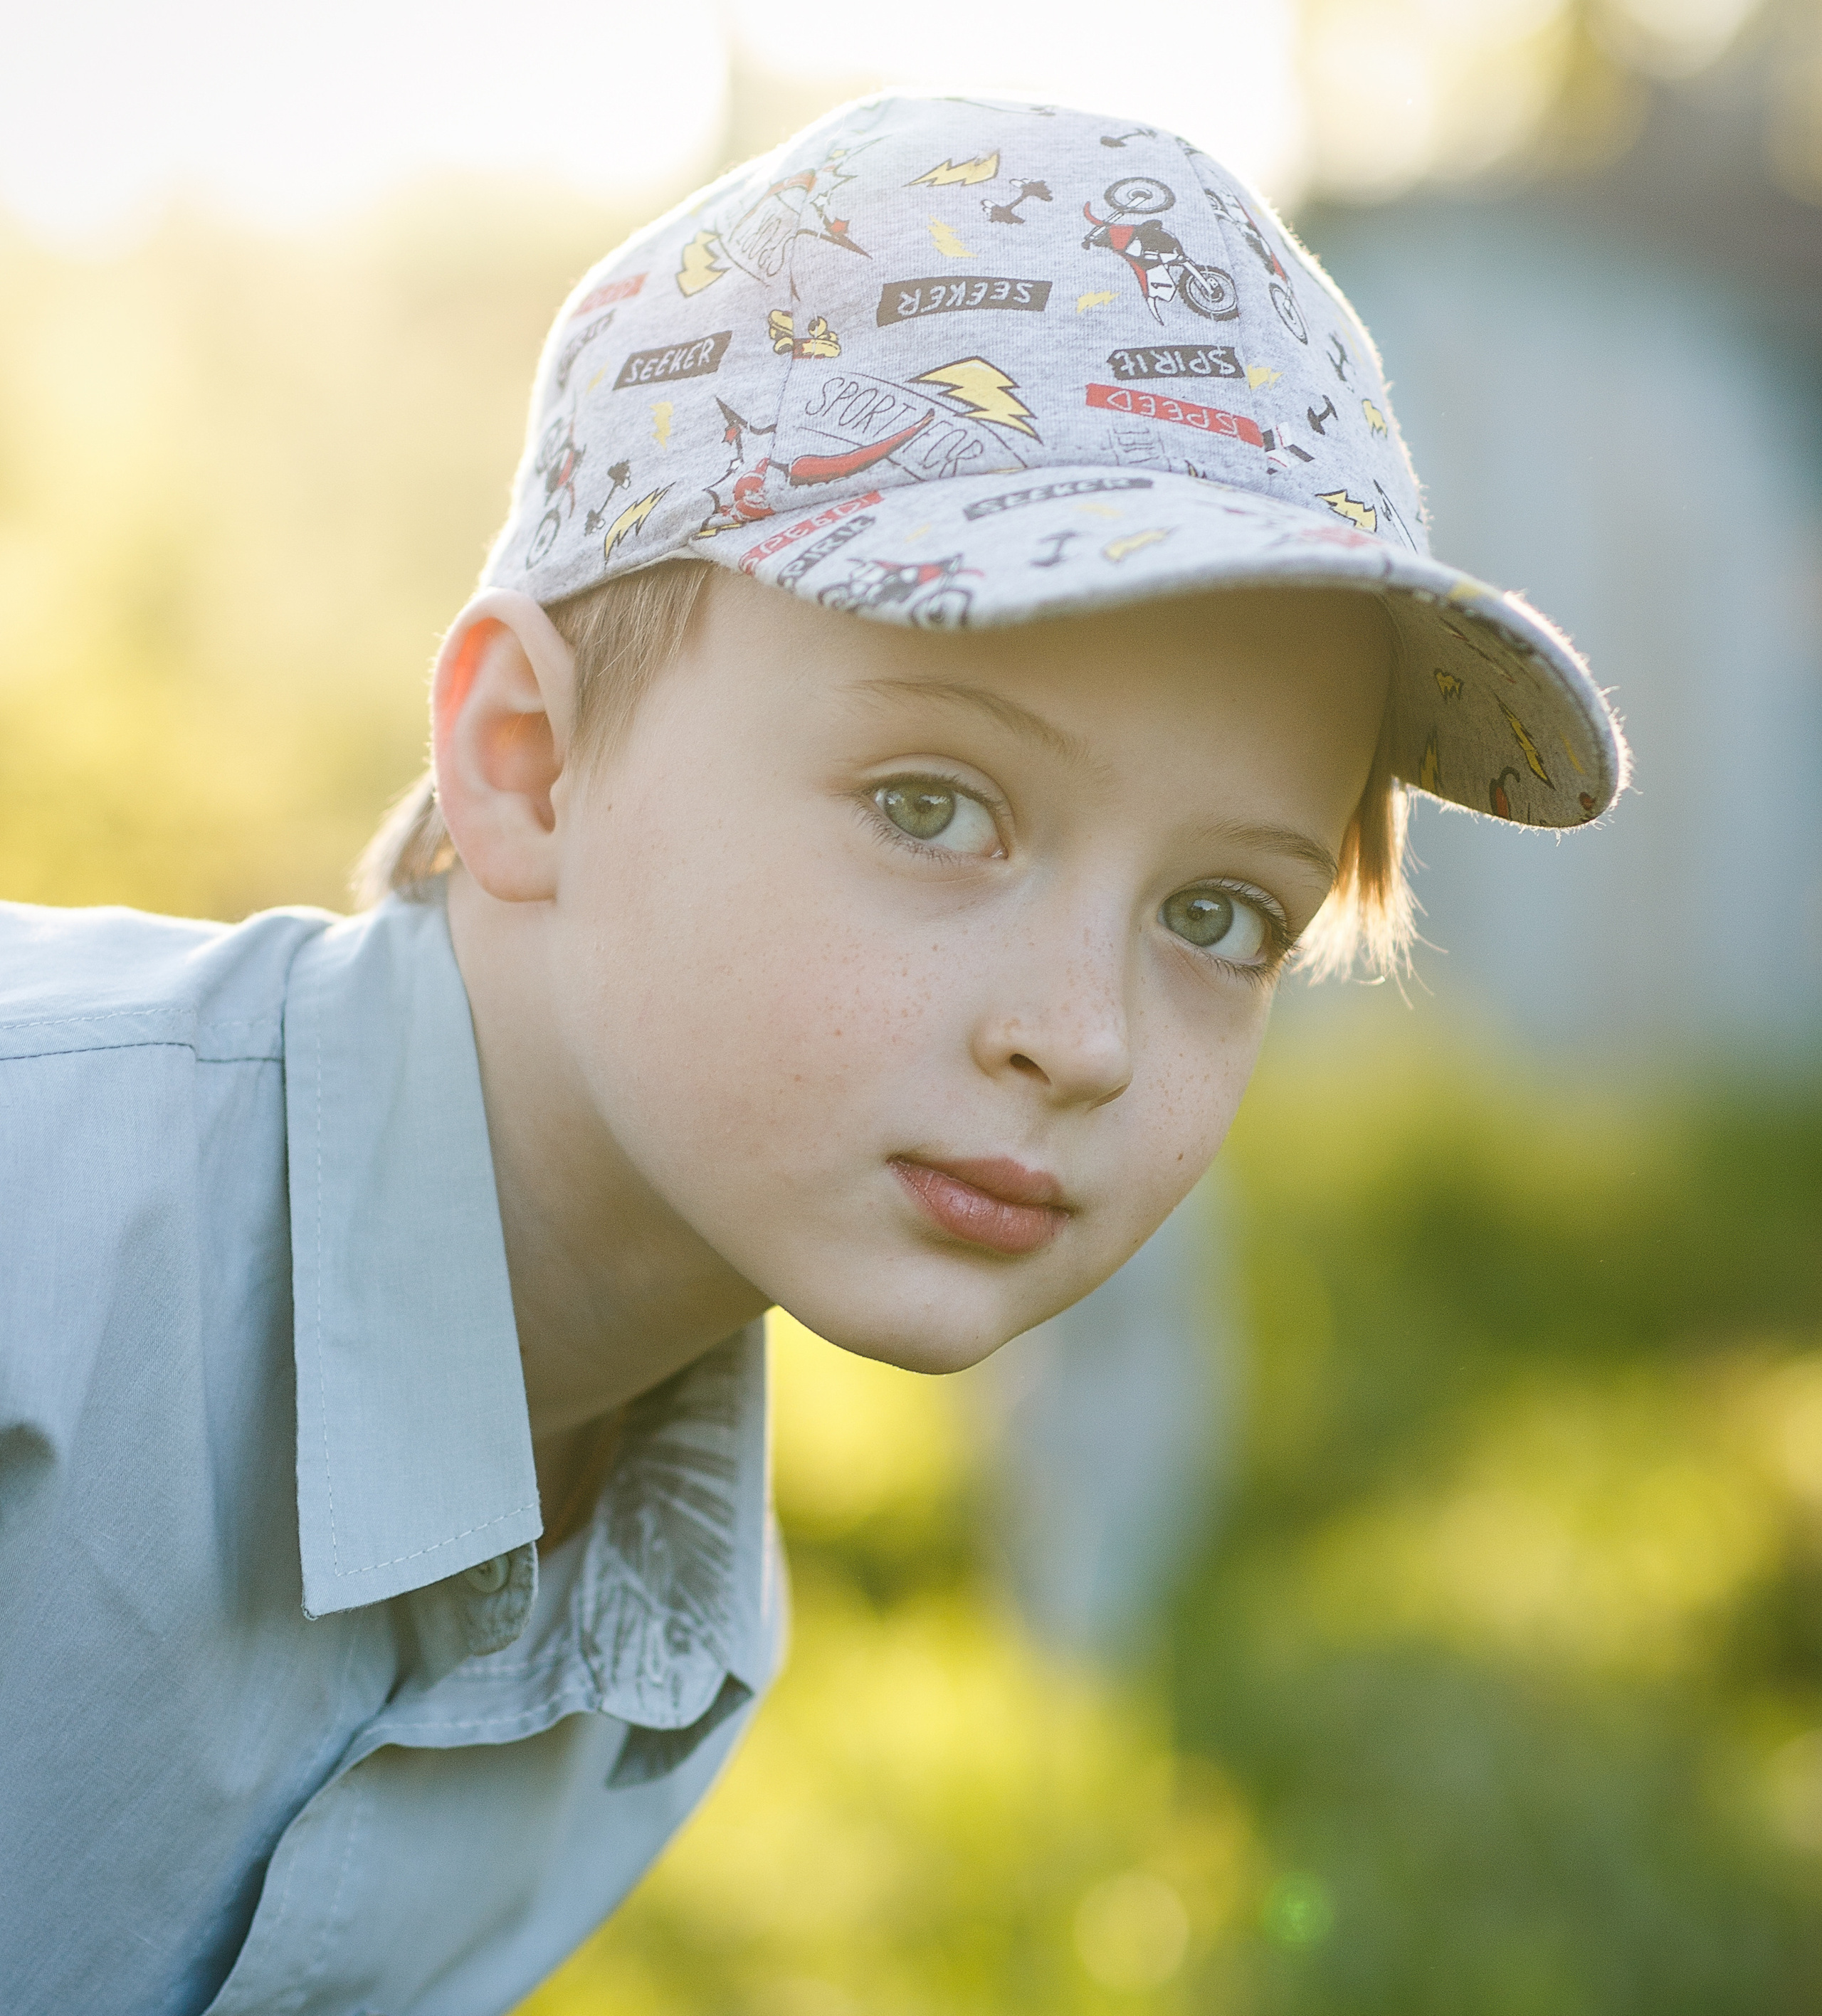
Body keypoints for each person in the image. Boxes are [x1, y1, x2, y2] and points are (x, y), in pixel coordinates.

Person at [0, 92, 1627, 2016]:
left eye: (1219, 917)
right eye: (934, 806)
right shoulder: (46, 1257)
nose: (1082, 1037)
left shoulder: (679, 1643)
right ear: (522, 754)